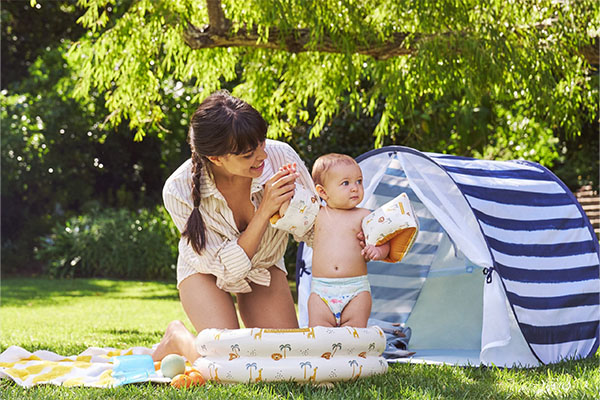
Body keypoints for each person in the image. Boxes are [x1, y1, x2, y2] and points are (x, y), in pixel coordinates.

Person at [152, 91, 316, 362]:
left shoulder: (280, 156)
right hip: (206, 270)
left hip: (263, 266)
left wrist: (294, 208)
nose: (262, 155)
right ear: (216, 158)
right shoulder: (178, 189)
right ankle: (177, 338)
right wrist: (265, 211)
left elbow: (314, 230)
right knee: (228, 361)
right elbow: (226, 267)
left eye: (262, 142)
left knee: (287, 359)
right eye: (249, 154)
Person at [280, 154, 390, 328]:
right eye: (346, 183)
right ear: (323, 192)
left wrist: (378, 250)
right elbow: (288, 213)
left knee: (354, 336)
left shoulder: (364, 216)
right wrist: (287, 184)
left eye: (359, 181)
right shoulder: (317, 214)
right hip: (321, 291)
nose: (355, 188)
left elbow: (384, 239)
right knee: (321, 336)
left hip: (356, 290)